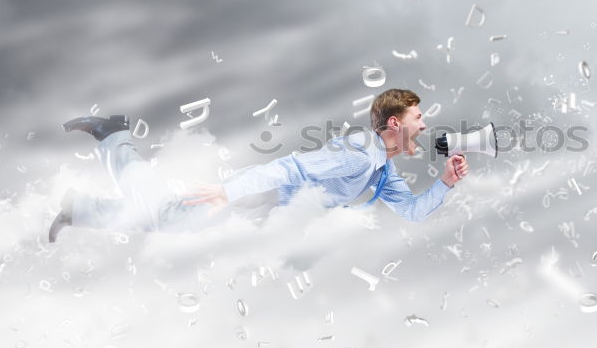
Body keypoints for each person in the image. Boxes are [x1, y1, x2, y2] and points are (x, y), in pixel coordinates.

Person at [48, 89, 468, 242]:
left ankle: (78, 209)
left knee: (164, 221)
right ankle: (113, 135)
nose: (425, 125)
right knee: (167, 220)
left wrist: (446, 183)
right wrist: (231, 192)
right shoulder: (359, 152)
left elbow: (411, 212)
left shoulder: (382, 171)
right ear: (395, 124)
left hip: (262, 212)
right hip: (256, 196)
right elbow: (293, 170)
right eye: (419, 118)